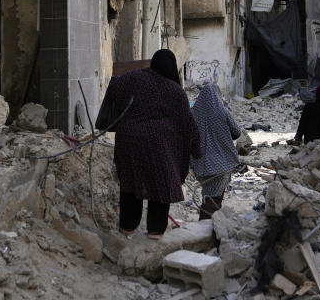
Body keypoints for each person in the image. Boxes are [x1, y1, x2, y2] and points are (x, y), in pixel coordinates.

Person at [95, 49, 200, 239]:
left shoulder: (132, 77)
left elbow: (114, 86)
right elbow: (189, 124)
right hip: (159, 146)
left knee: (130, 184)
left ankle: (127, 228)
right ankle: (155, 232)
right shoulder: (176, 91)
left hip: (128, 140)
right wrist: (198, 150)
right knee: (161, 186)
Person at [189, 82, 242, 220]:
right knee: (214, 200)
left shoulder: (192, 114)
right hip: (221, 164)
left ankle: (208, 224)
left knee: (207, 195)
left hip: (200, 164)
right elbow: (237, 132)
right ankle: (207, 227)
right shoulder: (223, 112)